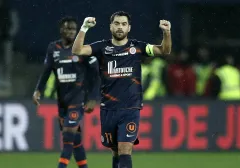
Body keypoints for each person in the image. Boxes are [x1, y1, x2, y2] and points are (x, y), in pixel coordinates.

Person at [72, 11, 172, 168]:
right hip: (108, 109)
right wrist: (84, 28)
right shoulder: (101, 47)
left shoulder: (137, 47)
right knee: (115, 151)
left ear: (129, 28)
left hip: (131, 108)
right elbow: (77, 50)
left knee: (125, 148)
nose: (120, 27)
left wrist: (166, 32)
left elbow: (164, 51)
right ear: (111, 26)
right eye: (117, 23)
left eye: (124, 24)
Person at [32, 16, 100, 168]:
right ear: (61, 30)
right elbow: (46, 71)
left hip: (78, 98)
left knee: (68, 135)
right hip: (62, 101)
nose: (70, 32)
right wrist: (38, 90)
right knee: (75, 140)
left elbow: (96, 75)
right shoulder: (53, 48)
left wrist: (92, 97)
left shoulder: (81, 48)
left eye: (73, 29)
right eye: (67, 28)